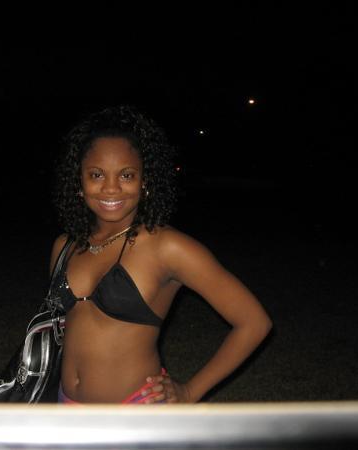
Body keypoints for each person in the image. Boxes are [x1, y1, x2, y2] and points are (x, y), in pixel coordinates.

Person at [49, 105, 272, 404]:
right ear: (79, 181)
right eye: (97, 174)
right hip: (66, 408)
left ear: (145, 182)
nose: (111, 188)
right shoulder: (65, 246)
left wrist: (190, 390)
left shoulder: (167, 247)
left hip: (137, 410)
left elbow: (254, 322)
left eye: (126, 175)